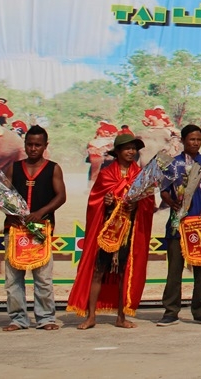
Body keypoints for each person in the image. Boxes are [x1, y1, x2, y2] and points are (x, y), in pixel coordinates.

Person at [67, 132, 156, 329]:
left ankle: (121, 317)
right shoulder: (106, 174)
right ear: (118, 151)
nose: (131, 152)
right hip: (107, 230)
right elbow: (95, 201)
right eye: (127, 148)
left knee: (124, 272)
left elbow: (149, 203)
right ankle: (91, 316)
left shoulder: (142, 176)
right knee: (98, 271)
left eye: (133, 148)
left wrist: (137, 205)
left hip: (129, 231)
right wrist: (106, 202)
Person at [1, 125, 67, 331]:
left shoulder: (53, 168)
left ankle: (46, 318)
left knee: (43, 278)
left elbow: (61, 196)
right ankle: (18, 319)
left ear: (45, 145)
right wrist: (9, 212)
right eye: (29, 144)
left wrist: (41, 212)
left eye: (38, 145)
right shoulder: (14, 167)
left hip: (41, 229)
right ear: (25, 144)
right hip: (15, 229)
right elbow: (3, 195)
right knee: (13, 279)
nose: (33, 148)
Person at [156, 124, 201, 326]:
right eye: (192, 139)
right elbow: (164, 191)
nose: (195, 143)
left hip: (199, 225)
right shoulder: (172, 164)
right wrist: (172, 203)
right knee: (174, 270)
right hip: (177, 224)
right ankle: (170, 311)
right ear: (183, 140)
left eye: (198, 139)